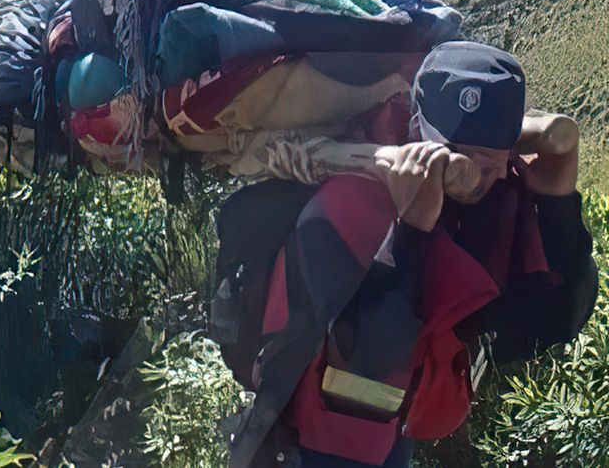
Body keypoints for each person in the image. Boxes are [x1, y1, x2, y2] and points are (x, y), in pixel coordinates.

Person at [221, 42, 598, 468]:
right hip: (313, 446)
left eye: (493, 162)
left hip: (391, 436)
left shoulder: (490, 201)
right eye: (465, 159)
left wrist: (558, 204)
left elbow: (554, 318)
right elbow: (371, 356)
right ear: (419, 134)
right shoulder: (343, 209)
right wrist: (411, 229)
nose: (480, 177)